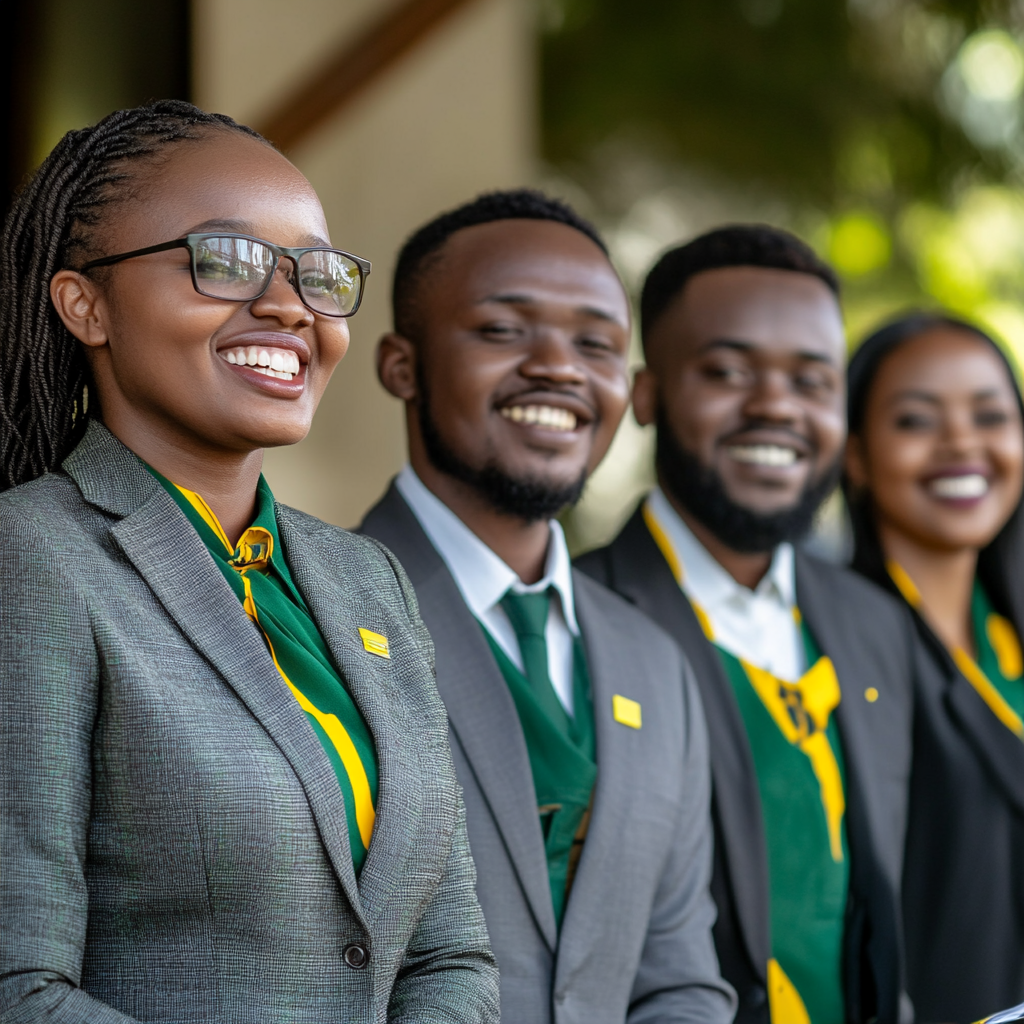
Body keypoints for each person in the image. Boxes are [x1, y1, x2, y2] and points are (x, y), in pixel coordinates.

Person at [0, 100, 498, 1023]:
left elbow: (450, 953)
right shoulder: (29, 559)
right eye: (223, 260)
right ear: (86, 304)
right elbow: (18, 989)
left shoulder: (367, 583)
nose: (288, 306)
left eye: (316, 272)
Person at [359, 189, 736, 1024]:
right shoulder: (305, 615)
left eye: (596, 344)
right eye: (503, 330)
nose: (560, 367)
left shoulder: (654, 663)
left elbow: (678, 977)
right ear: (401, 365)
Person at [578, 225, 915, 1024]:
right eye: (727, 371)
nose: (774, 407)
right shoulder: (577, 620)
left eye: (812, 379)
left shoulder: (875, 624)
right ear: (647, 393)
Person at [844, 312, 1024, 1024]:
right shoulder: (833, 657)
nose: (962, 443)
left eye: (990, 415)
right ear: (853, 455)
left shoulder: (1007, 633)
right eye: (917, 421)